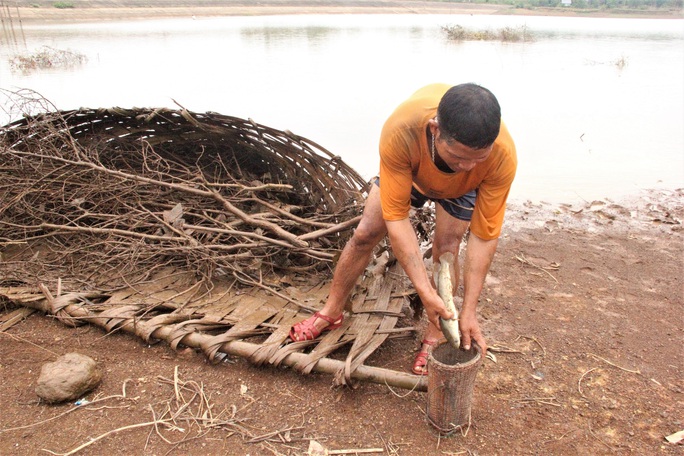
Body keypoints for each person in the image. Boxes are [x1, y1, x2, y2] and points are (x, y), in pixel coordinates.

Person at [289, 83, 517, 376]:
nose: (467, 165)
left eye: (478, 158)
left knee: (446, 251)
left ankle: (436, 331)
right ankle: (332, 312)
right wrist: (422, 290)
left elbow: (484, 238)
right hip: (411, 168)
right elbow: (397, 219)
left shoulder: (502, 156)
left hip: (463, 191)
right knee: (365, 234)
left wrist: (469, 310)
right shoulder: (401, 129)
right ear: (435, 129)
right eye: (459, 156)